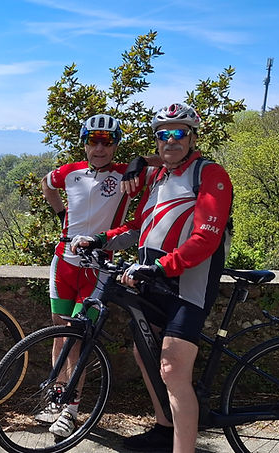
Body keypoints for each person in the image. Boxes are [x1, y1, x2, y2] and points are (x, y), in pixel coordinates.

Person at [73, 102, 233, 452]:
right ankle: (164, 429)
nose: (170, 140)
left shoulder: (210, 174)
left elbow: (205, 238)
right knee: (143, 352)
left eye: (178, 133)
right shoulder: (160, 177)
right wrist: (99, 239)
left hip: (188, 282)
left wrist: (161, 267)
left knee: (173, 369)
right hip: (154, 279)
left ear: (192, 138)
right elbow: (137, 227)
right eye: (163, 135)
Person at [39, 113, 143, 437]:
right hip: (63, 262)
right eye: (93, 140)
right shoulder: (70, 171)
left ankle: (70, 410)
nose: (99, 148)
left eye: (107, 141)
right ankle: (56, 398)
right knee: (60, 334)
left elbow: (163, 167)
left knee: (77, 337)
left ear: (115, 145)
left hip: (96, 267)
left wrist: (139, 163)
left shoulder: (125, 176)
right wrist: (61, 214)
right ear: (84, 142)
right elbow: (46, 184)